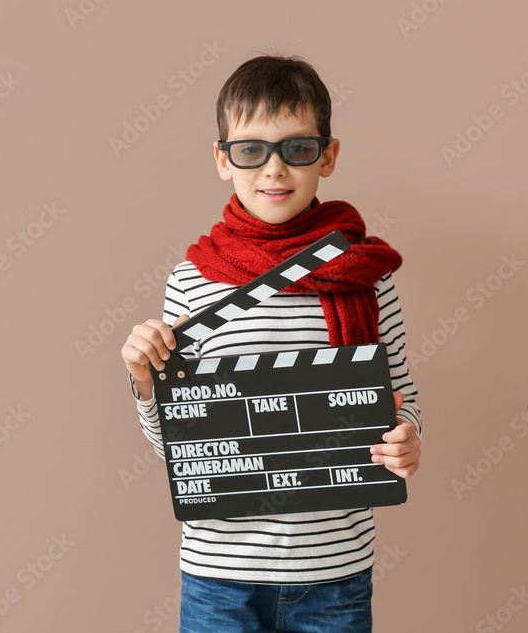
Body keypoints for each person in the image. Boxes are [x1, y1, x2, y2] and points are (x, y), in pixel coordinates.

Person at [120, 54, 422, 632]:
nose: (274, 168)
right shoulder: (193, 281)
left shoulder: (365, 275)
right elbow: (175, 449)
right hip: (219, 575)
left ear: (328, 156)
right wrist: (144, 381)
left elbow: (401, 396)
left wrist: (407, 436)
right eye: (251, 149)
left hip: (335, 570)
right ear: (222, 159)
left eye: (297, 148)